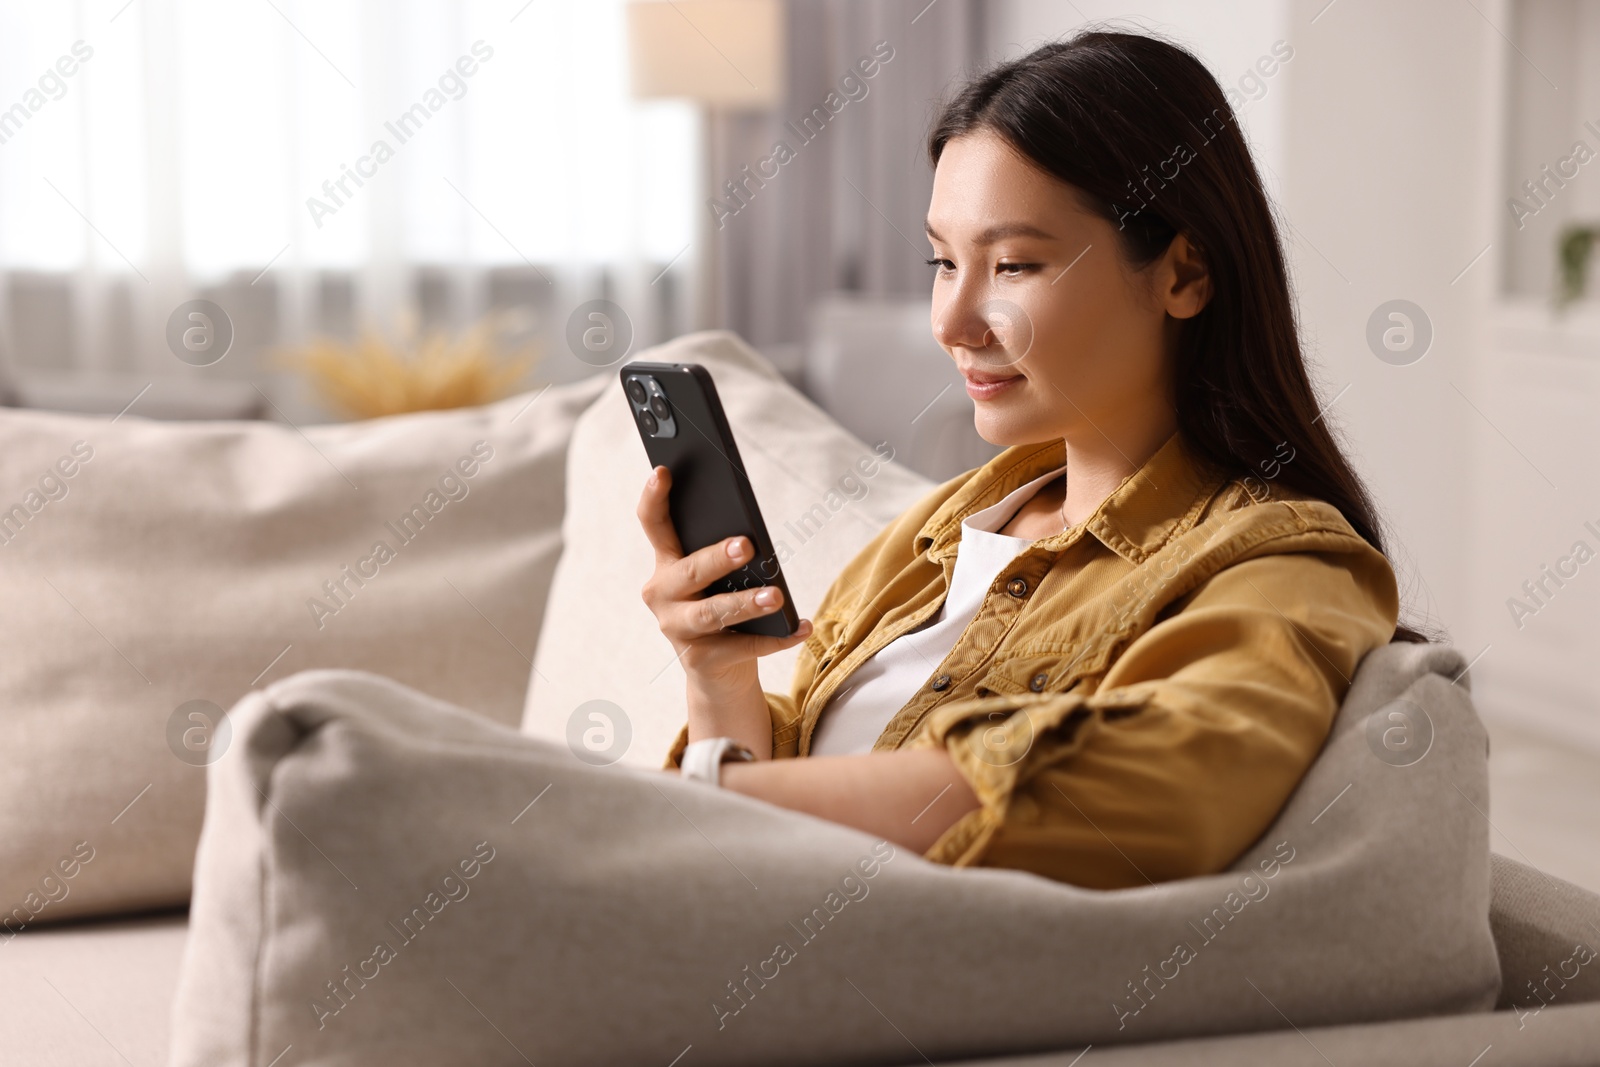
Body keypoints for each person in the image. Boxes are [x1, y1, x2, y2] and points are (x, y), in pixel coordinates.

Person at [636, 29, 1414, 890]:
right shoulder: (929, 540)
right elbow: (771, 806)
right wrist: (720, 673)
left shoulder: (1284, 561)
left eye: (1012, 264)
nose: (951, 321)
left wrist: (712, 796)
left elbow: (1168, 784)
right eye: (941, 261)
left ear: (1184, 273)